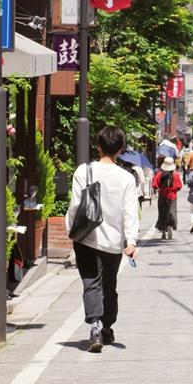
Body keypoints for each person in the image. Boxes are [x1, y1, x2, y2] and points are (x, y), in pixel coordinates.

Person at [65, 126, 138, 353]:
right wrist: (132, 240)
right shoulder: (126, 178)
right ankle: (106, 327)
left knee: (91, 283)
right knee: (109, 285)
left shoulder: (83, 171)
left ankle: (95, 326)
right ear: (121, 149)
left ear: (98, 146)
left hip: (86, 238)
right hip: (114, 242)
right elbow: (129, 211)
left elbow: (76, 205)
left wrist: (71, 230)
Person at [153, 157, 183, 240]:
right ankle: (170, 226)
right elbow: (179, 186)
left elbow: (155, 185)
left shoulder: (159, 174)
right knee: (171, 212)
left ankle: (163, 231)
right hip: (172, 197)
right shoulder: (176, 175)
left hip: (162, 196)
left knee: (162, 213)